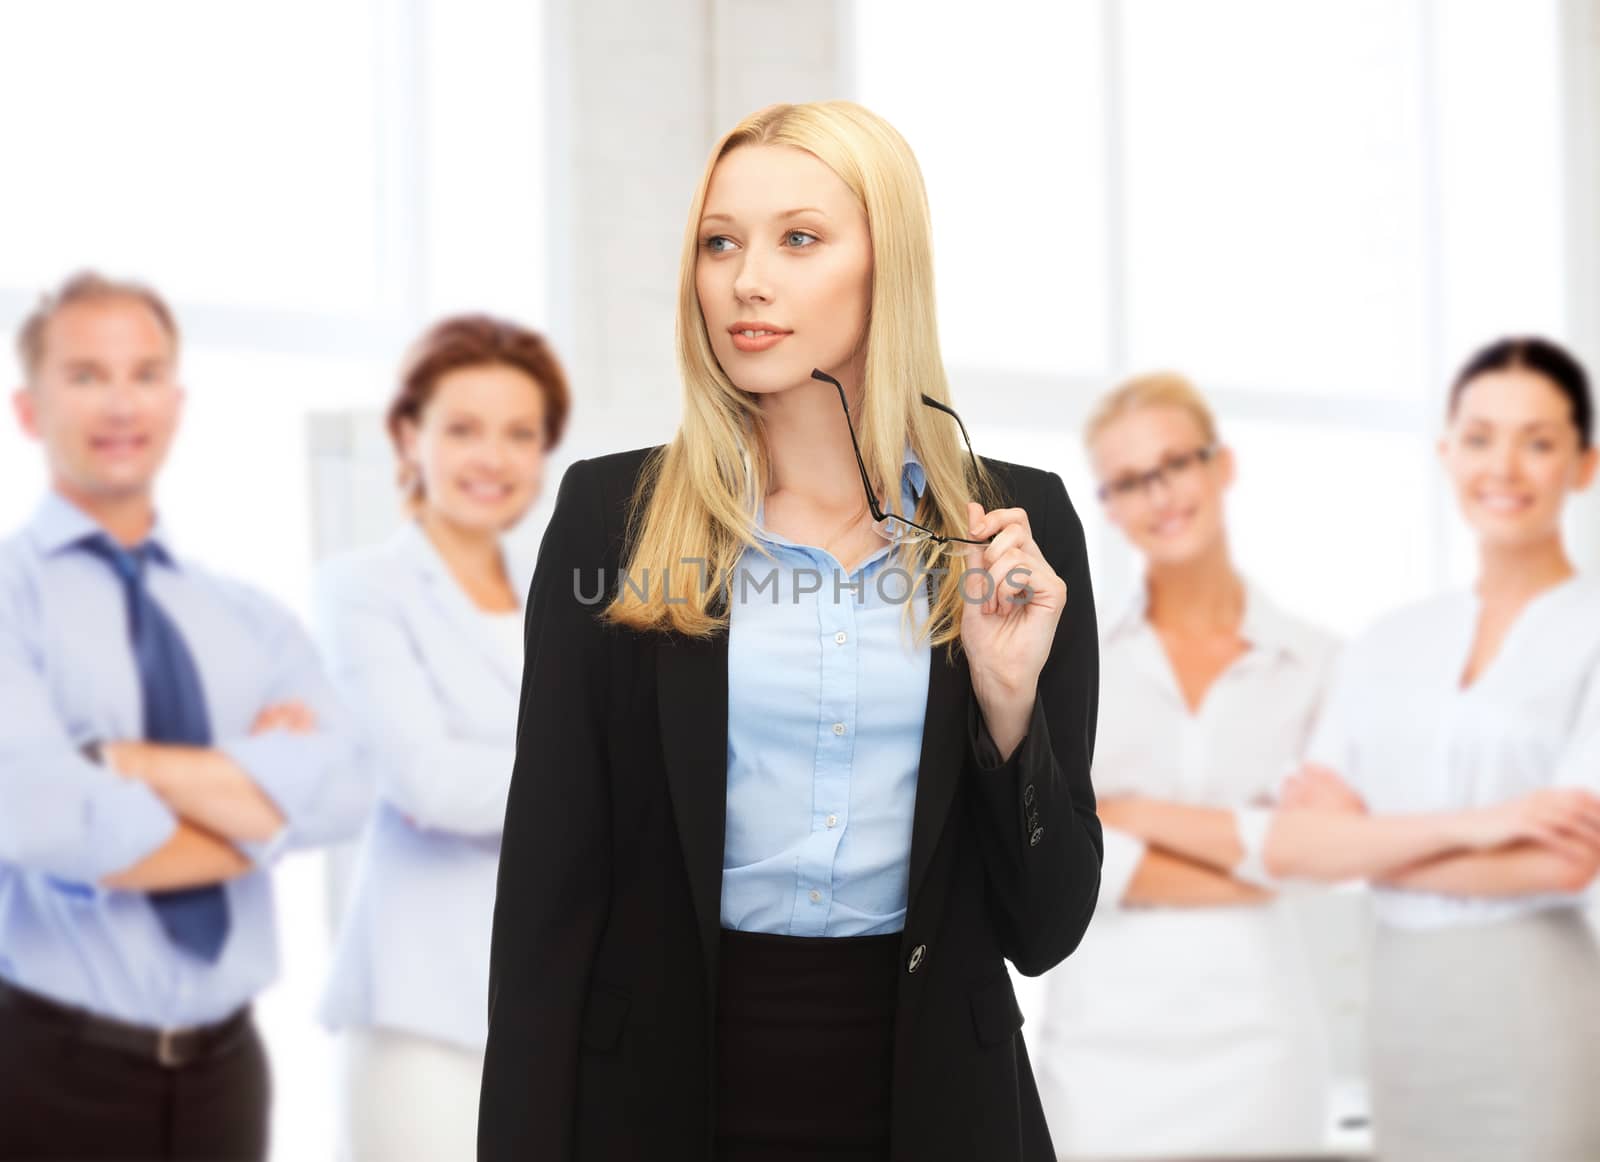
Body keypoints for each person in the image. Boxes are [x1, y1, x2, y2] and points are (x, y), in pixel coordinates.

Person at [477, 100, 1104, 1162]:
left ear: (887, 264)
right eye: (719, 243)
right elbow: (547, 898)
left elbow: (1042, 931)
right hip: (661, 1101)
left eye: (797, 239)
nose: (744, 279)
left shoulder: (1013, 531)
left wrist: (1005, 708)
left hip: (938, 1106)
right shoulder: (610, 517)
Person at [0, 271, 369, 1162]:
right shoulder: (10, 602)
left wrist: (125, 761)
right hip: (50, 1073)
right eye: (86, 374)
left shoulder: (249, 618)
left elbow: (348, 788)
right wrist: (259, 805)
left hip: (228, 1074)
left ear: (176, 400)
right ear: (29, 408)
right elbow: (50, 822)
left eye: (144, 372)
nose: (120, 400)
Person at [1258, 337, 1600, 1160]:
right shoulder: (1387, 643)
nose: (1504, 466)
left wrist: (1365, 843)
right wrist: (1489, 828)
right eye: (1479, 437)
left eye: (1539, 441)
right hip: (1403, 1006)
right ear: (1446, 452)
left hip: (1540, 1001)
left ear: (1583, 465)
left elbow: (1566, 862)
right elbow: (1296, 845)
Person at [1031, 372, 1334, 1158]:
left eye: (1176, 464)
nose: (1158, 495)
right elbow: (1058, 846)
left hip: (1263, 1043)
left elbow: (1328, 851)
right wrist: (1259, 852)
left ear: (1220, 467)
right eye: (1129, 481)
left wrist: (1130, 820)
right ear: (1108, 504)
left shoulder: (1316, 663)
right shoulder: (1073, 657)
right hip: (1102, 1050)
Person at [315, 314, 570, 1161]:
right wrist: (597, 777)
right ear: (407, 436)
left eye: (519, 434)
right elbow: (427, 781)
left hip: (549, 1005)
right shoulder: (364, 590)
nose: (492, 459)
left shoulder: (562, 597)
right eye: (462, 430)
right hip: (424, 1014)